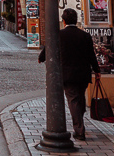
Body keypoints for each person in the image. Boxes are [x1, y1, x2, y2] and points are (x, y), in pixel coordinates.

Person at [38, 8, 101, 141]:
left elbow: (48, 48)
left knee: (73, 100)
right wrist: (97, 70)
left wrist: (41, 57)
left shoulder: (59, 34)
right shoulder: (85, 35)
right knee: (79, 97)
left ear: (64, 20)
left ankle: (79, 130)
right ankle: (80, 119)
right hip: (83, 74)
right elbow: (91, 55)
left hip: (67, 74)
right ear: (76, 20)